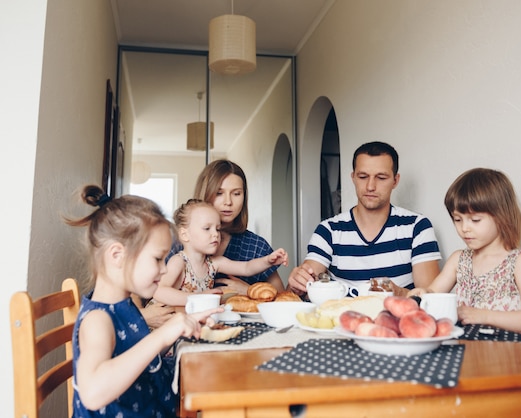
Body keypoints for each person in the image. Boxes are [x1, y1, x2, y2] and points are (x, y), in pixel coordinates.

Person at [64, 185, 222, 416]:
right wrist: (162, 335)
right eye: (158, 258)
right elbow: (93, 393)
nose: (164, 268)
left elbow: (140, 357)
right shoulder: (98, 319)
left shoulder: (123, 305)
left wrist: (179, 327)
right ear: (118, 255)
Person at [288, 141, 442, 296]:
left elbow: (431, 299)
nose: (370, 186)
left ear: (395, 181)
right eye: (363, 176)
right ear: (353, 177)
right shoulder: (329, 230)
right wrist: (297, 283)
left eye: (381, 178)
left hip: (397, 318)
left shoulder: (417, 227)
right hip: (341, 318)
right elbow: (300, 290)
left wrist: (398, 293)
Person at [409, 168, 521, 335]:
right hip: (471, 350)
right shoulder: (458, 260)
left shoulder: (520, 262)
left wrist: (483, 316)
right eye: (457, 219)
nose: (464, 228)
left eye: (475, 220)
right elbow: (433, 293)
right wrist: (425, 293)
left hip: (513, 353)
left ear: (501, 216)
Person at [153, 199, 289, 307]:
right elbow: (159, 291)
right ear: (185, 234)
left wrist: (267, 261)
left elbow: (246, 268)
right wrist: (200, 298)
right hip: (161, 324)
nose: (215, 234)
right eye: (207, 228)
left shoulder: (214, 263)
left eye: (217, 229)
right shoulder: (179, 262)